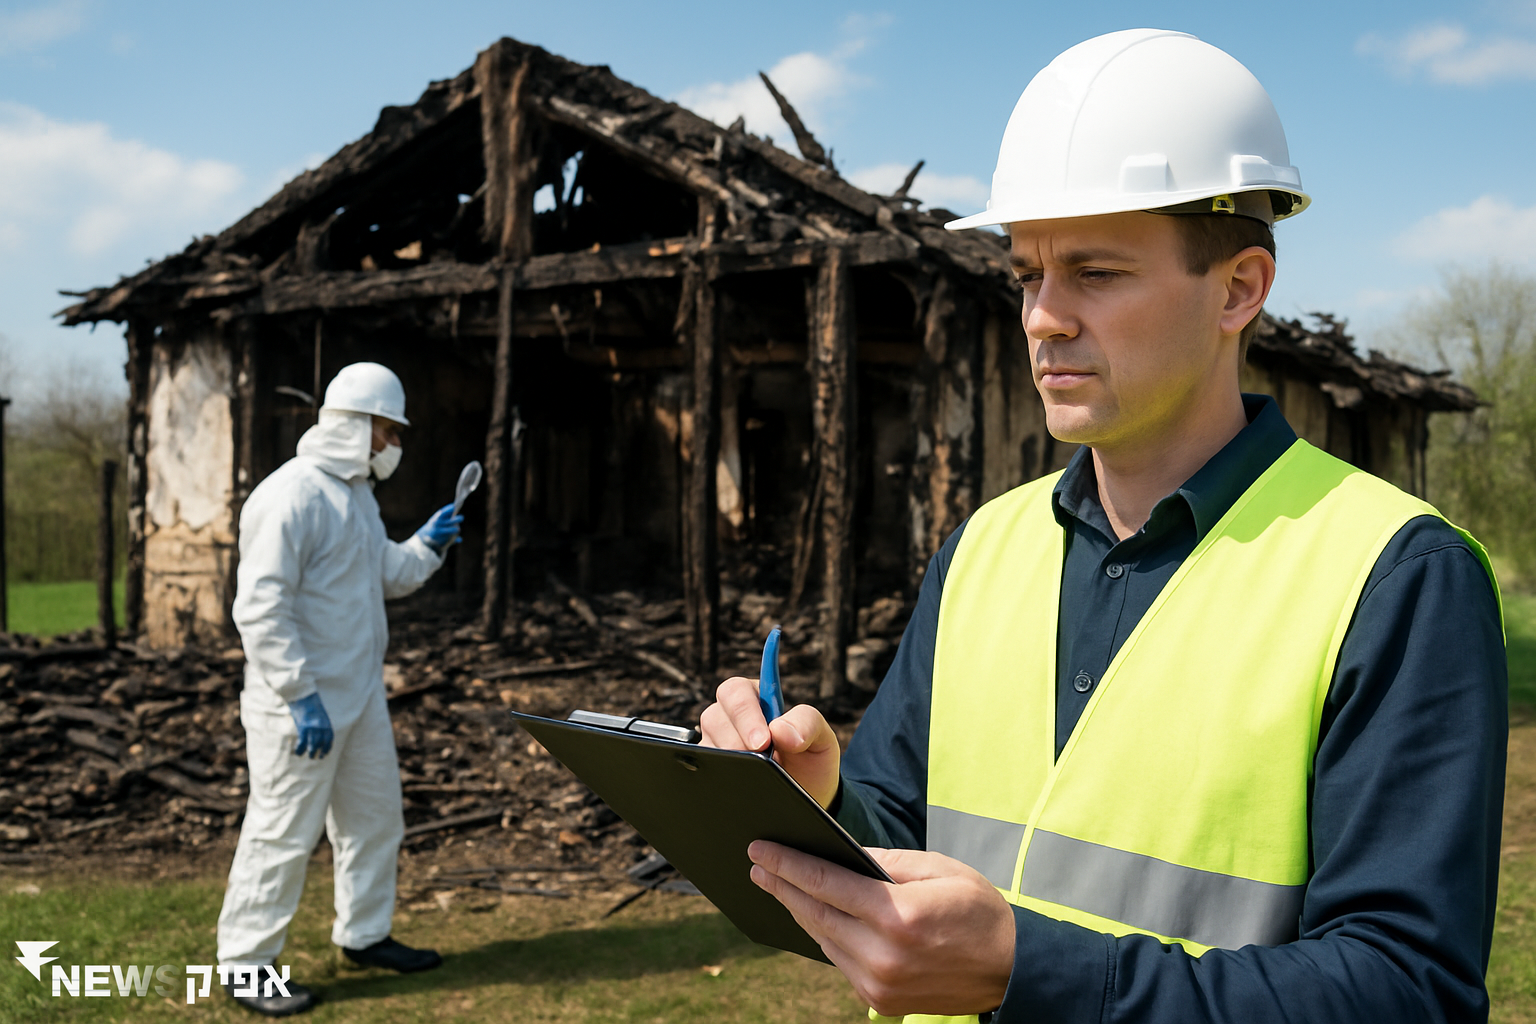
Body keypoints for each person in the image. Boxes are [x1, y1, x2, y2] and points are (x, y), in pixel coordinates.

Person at [701, 29, 1507, 1024]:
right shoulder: (986, 549)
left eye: (1096, 272)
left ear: (1239, 288)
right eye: (1029, 272)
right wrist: (819, 803)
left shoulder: (1394, 576)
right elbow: (899, 840)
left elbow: (1406, 991)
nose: (1043, 315)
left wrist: (1025, 971)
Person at [216, 362, 464, 1017]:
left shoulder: (354, 495)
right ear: (355, 426)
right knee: (280, 834)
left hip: (358, 700)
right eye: (388, 430)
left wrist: (427, 545)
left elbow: (383, 572)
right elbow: (260, 608)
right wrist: (299, 695)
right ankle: (246, 965)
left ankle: (364, 934)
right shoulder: (290, 496)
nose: (395, 445)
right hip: (300, 709)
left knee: (375, 821)